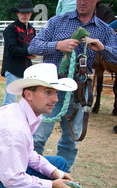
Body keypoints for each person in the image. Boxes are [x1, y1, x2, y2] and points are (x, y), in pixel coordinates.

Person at [28, 0, 117, 170]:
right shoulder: (57, 21)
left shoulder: (104, 29)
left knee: (71, 139)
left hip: (79, 87)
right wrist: (57, 45)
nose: (82, 2)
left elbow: (116, 56)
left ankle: (61, 178)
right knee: (38, 137)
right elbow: (33, 46)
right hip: (51, 85)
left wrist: (102, 48)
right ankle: (32, 175)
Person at [1, 0, 37, 106]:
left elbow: (33, 46)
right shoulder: (10, 29)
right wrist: (28, 52)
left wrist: (33, 51)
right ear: (17, 13)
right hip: (13, 69)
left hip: (27, 70)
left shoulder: (32, 30)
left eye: (27, 13)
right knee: (10, 101)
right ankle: (5, 121)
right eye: (22, 13)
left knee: (27, 100)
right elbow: (12, 48)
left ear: (31, 14)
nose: (24, 15)